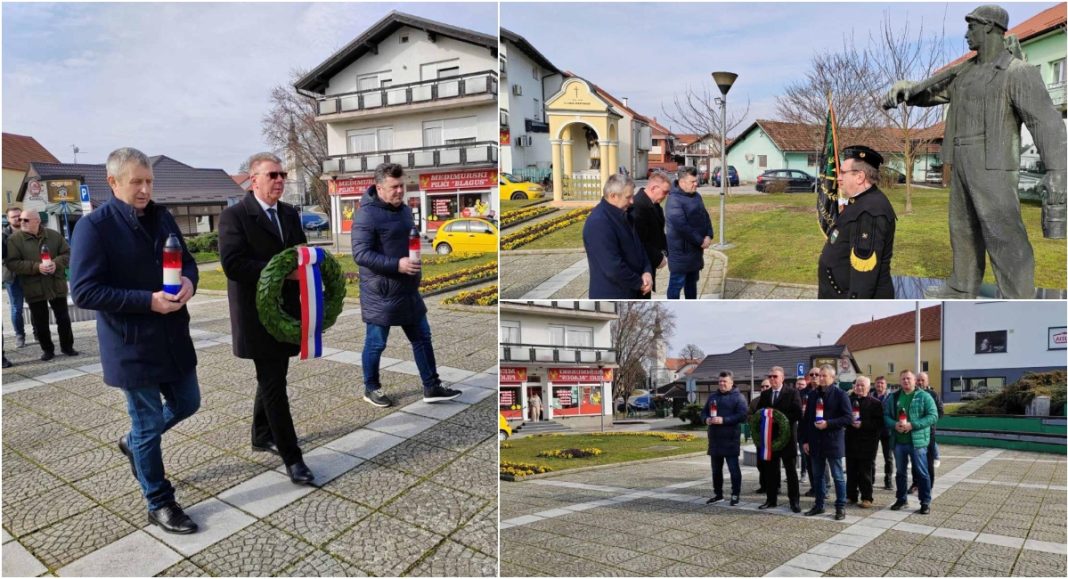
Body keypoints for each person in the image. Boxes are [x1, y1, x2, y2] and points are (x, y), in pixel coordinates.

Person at [886, 5, 1067, 299]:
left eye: (972, 27)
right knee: (962, 226)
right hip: (961, 158)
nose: (967, 34)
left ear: (989, 28)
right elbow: (931, 92)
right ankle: (962, 284)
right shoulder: (965, 73)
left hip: (993, 161)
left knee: (1002, 231)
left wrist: (1058, 171)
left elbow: (1046, 122)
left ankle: (1018, 295)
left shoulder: (1017, 72)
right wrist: (909, 89)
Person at [70, 147, 201, 534]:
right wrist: (148, 301)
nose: (145, 189)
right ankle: (159, 500)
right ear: (113, 183)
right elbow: (85, 292)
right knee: (146, 424)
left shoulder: (162, 217)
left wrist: (190, 282)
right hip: (131, 342)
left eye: (149, 181)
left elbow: (187, 260)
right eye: (136, 182)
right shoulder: (94, 227)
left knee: (188, 402)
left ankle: (133, 443)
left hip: (173, 334)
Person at [219, 152, 314, 486]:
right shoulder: (234, 216)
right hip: (256, 314)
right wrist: (279, 272)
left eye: (282, 174)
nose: (279, 180)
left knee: (273, 376)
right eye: (272, 174)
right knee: (275, 383)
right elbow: (233, 264)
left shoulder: (289, 214)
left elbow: (301, 253)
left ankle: (261, 434)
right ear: (253, 178)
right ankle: (293, 457)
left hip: (285, 311)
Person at [352, 162, 462, 407]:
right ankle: (371, 388)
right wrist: (397, 264)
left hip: (408, 288)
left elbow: (409, 240)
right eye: (394, 187)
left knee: (423, 337)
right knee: (376, 342)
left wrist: (413, 260)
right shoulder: (366, 214)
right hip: (380, 292)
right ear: (379, 188)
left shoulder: (402, 210)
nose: (400, 191)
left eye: (402, 185)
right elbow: (360, 254)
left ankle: (431, 386)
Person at [818, 146, 896, 299]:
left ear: (860, 177)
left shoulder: (869, 212)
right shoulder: (862, 202)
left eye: (843, 173)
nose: (838, 178)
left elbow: (863, 278)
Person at [6, 211, 77, 360]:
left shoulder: (53, 235)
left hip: (55, 283)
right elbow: (12, 263)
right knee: (40, 322)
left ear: (37, 221)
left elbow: (68, 254)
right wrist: (36, 267)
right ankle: (48, 350)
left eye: (26, 220)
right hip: (33, 286)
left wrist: (55, 264)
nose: (22, 222)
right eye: (20, 219)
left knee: (63, 318)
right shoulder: (14, 240)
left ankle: (67, 347)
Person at [582, 173, 653, 299]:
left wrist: (647, 271)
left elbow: (640, 248)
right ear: (613, 196)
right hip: (615, 294)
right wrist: (639, 283)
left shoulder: (625, 214)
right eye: (628, 197)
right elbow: (613, 267)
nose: (632, 201)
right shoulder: (599, 223)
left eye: (633, 196)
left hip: (635, 291)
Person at [800, 364, 852, 520]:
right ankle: (819, 505)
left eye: (823, 376)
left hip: (833, 442)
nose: (819, 378)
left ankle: (840, 507)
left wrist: (828, 423)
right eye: (818, 376)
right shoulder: (813, 395)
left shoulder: (840, 395)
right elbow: (807, 420)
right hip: (815, 442)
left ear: (832, 377)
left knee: (838, 476)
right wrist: (805, 441)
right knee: (818, 476)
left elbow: (848, 418)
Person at [885, 370, 939, 514]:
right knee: (900, 473)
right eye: (903, 379)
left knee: (922, 473)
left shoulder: (924, 396)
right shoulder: (893, 396)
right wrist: (894, 424)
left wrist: (912, 425)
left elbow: (933, 416)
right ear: (900, 381)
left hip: (917, 443)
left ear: (915, 380)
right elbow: (886, 416)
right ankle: (902, 499)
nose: (906, 381)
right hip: (899, 442)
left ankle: (925, 502)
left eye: (909, 378)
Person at [756, 366, 803, 513]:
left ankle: (794, 501)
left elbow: (797, 413)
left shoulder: (792, 392)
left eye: (775, 376)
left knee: (791, 472)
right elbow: (759, 413)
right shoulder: (765, 395)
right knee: (771, 471)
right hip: (770, 439)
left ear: (782, 378)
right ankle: (771, 500)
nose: (772, 379)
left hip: (787, 438)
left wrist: (779, 419)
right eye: (770, 376)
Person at [665, 166, 713, 299]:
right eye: (692, 181)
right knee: (676, 285)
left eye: (696, 180)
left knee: (692, 284)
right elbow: (682, 226)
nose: (696, 184)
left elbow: (705, 215)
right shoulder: (674, 200)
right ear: (682, 182)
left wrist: (709, 234)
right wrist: (701, 240)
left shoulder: (696, 196)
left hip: (695, 253)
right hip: (681, 254)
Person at [702, 371, 747, 506]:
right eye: (720, 381)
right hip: (715, 440)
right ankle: (718, 494)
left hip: (730, 440)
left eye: (725, 381)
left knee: (733, 469)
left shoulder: (739, 397)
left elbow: (742, 416)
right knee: (716, 470)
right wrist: (706, 419)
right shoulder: (712, 396)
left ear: (731, 383)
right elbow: (703, 412)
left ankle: (735, 494)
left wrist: (724, 420)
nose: (722, 384)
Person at [628, 171, 670, 297]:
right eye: (664, 192)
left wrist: (665, 252)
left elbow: (659, 233)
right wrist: (658, 258)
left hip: (650, 264)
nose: (666, 196)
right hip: (640, 268)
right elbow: (639, 242)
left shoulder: (655, 205)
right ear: (653, 188)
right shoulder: (638, 207)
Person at [845, 376, 885, 509]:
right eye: (857, 385)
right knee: (851, 470)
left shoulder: (875, 403)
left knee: (865, 472)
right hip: (851, 440)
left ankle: (867, 497)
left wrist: (862, 424)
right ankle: (851, 496)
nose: (859, 388)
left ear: (868, 388)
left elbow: (879, 423)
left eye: (862, 386)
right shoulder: (848, 401)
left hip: (867, 443)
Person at [911, 372, 944, 493]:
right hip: (914, 433)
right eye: (918, 380)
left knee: (929, 461)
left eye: (922, 380)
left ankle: (929, 485)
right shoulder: (912, 394)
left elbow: (940, 412)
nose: (920, 382)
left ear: (927, 381)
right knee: (915, 460)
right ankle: (915, 483)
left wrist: (926, 420)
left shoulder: (933, 394)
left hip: (929, 433)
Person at [3, 206, 27, 348]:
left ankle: (38, 332)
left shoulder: (29, 230)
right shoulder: (3, 234)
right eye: (14, 217)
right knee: (16, 308)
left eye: (19, 215)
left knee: (36, 305)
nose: (17, 218)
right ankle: (20, 335)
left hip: (30, 273)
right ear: (8, 219)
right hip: (13, 276)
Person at [872, 376, 895, 490]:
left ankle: (888, 481)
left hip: (887, 431)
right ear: (874, 385)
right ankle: (871, 479)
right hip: (873, 430)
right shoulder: (870, 396)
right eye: (878, 383)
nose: (880, 385)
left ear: (886, 385)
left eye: (882, 383)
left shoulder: (891, 397)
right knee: (871, 457)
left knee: (888, 458)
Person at [750, 379, 771, 491]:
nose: (764, 389)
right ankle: (763, 485)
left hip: (773, 437)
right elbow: (748, 415)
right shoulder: (754, 401)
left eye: (767, 386)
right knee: (760, 463)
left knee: (772, 465)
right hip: (759, 437)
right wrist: (756, 419)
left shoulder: (774, 399)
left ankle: (774, 486)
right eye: (762, 387)